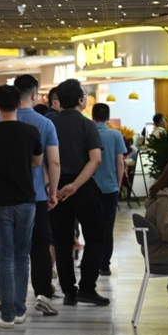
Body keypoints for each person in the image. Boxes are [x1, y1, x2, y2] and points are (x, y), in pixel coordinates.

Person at [0, 85, 43, 328]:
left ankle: (7, 315)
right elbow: (37, 162)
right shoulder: (31, 131)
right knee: (22, 256)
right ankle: (20, 310)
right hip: (26, 200)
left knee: (4, 257)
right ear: (19, 104)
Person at [50, 79, 108, 306]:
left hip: (56, 187)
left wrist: (53, 186)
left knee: (62, 240)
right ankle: (87, 288)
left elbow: (43, 160)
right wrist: (75, 185)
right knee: (96, 235)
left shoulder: (50, 123)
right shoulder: (87, 124)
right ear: (79, 100)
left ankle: (68, 291)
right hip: (82, 186)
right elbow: (96, 159)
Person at [12, 75, 61, 317]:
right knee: (40, 246)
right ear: (34, 95)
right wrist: (53, 191)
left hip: (4, 196)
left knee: (7, 248)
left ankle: (6, 296)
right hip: (37, 195)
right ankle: (42, 294)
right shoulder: (45, 124)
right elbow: (54, 162)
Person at [91, 104, 127, 277]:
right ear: (108, 117)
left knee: (91, 227)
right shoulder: (116, 135)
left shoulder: (88, 133)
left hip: (90, 187)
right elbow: (120, 162)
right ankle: (104, 265)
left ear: (92, 117)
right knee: (107, 227)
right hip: (110, 187)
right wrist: (118, 185)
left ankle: (91, 262)